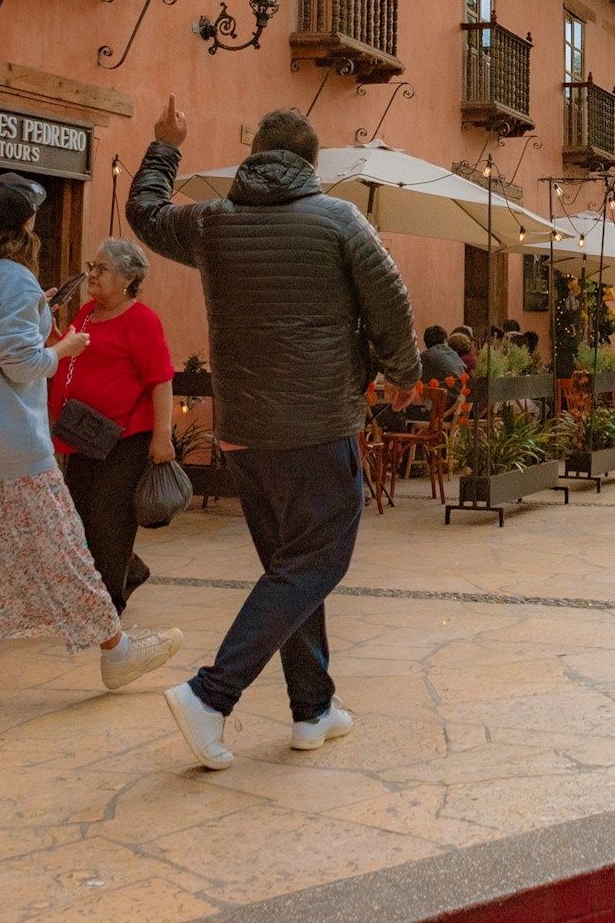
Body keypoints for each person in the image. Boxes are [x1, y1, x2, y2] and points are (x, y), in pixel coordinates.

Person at [129, 99, 420, 771]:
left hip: (242, 434)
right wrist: (401, 374)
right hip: (317, 425)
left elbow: (144, 215)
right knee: (314, 564)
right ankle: (211, 694)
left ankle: (313, 708)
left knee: (290, 570)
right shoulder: (339, 219)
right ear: (311, 163)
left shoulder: (210, 222)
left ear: (254, 156)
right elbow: (391, 302)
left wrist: (166, 146)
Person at [0, 174, 181, 703]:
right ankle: (117, 651)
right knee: (65, 548)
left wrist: (34, 309)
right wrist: (62, 351)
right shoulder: (11, 278)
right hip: (9, 445)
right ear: (25, 223)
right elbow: (18, 361)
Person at [51, 238, 176, 615]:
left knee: (109, 517)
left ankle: (107, 603)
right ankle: (130, 569)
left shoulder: (141, 320)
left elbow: (161, 380)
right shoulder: (87, 312)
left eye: (101, 269)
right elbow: (69, 352)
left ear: (126, 278)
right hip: (82, 434)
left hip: (125, 438)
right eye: (93, 265)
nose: (91, 274)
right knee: (80, 515)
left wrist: (163, 436)